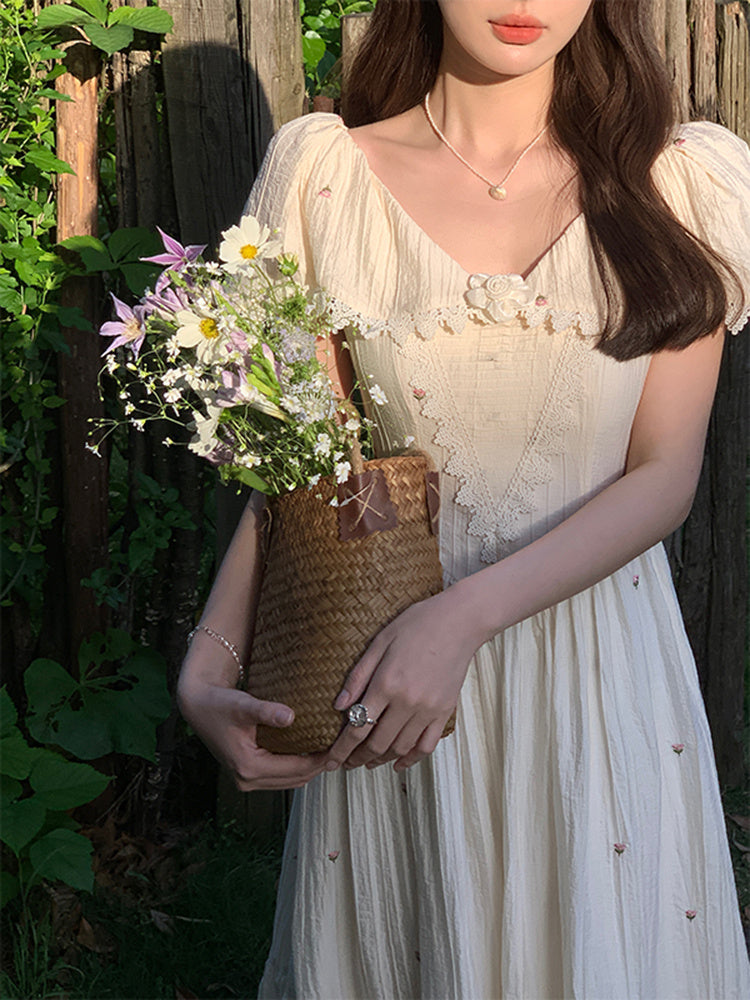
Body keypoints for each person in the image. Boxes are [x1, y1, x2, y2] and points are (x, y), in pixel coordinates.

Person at [177, 0, 750, 996]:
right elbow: (305, 466)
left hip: (594, 676)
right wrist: (208, 659)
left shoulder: (680, 184)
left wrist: (461, 618)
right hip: (393, 684)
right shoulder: (324, 177)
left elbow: (665, 476)